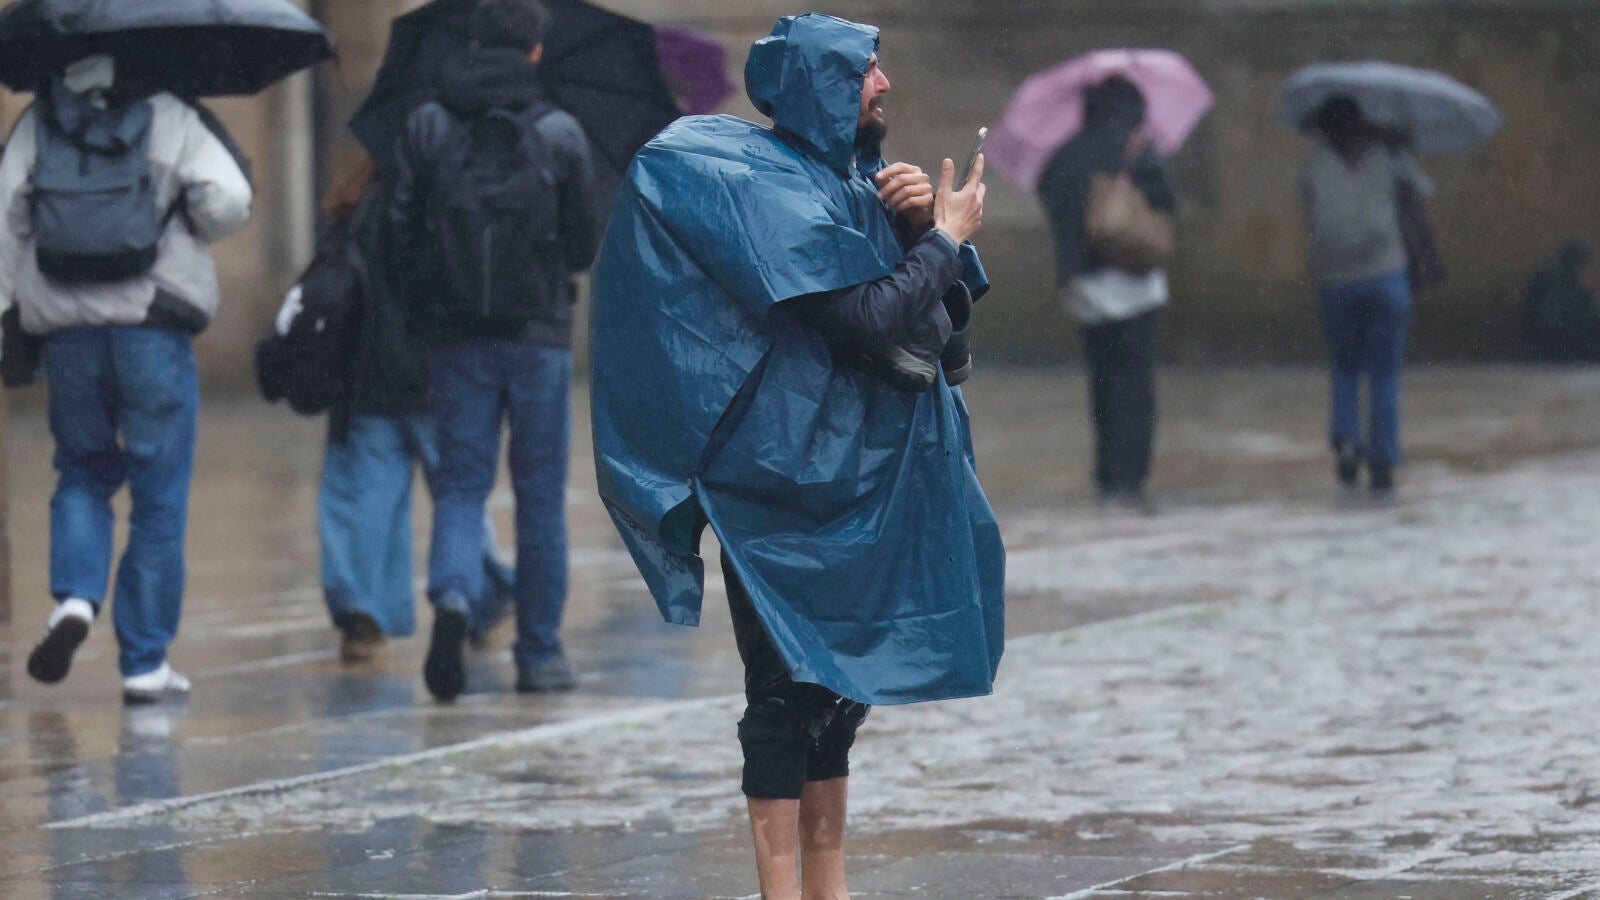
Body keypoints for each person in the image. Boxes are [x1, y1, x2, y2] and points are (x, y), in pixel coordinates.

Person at [589, 14, 1005, 899]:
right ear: (820, 84)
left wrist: (918, 230)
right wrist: (946, 239)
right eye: (865, 69)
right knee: (784, 689)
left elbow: (939, 336)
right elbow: (861, 318)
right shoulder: (757, 185)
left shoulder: (855, 183)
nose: (884, 84)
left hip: (863, 476)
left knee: (840, 694)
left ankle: (828, 883)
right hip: (782, 479)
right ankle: (783, 889)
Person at [0, 54, 253, 701]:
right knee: (158, 495)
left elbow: (5, 216)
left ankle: (75, 600)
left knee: (82, 469)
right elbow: (230, 200)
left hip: (67, 331)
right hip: (152, 327)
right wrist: (184, 215)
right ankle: (144, 662)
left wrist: (7, 311)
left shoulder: (38, 121)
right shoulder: (172, 114)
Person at [386, 0, 599, 701]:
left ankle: (454, 599)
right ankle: (538, 655)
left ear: (473, 41)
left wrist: (426, 304)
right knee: (540, 498)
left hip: (456, 336)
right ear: (535, 50)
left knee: (460, 486)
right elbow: (583, 245)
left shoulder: (427, 123)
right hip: (538, 335)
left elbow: (397, 230)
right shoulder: (560, 131)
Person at [307, 159, 516, 664]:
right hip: (438, 375)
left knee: (363, 500)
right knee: (460, 496)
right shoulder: (449, 201)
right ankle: (479, 599)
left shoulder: (354, 208)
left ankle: (363, 612)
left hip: (365, 381)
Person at [1037, 76, 1176, 512]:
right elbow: (1167, 203)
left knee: (1102, 384)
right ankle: (1130, 478)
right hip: (1133, 284)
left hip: (1085, 287)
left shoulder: (1066, 153)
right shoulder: (1137, 150)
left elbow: (1051, 196)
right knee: (1135, 386)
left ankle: (1107, 473)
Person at [1299, 96, 1432, 495]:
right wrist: (1401, 146)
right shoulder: (1388, 159)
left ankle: (1346, 438)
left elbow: (1311, 219)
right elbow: (1423, 192)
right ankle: (1382, 460)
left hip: (1337, 283)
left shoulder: (1314, 168)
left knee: (1345, 368)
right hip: (1386, 278)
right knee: (1384, 373)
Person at [1522, 238, 1599, 364]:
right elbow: (1549, 319)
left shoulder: (1574, 285)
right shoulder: (1553, 281)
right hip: (1554, 348)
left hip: (1568, 346)